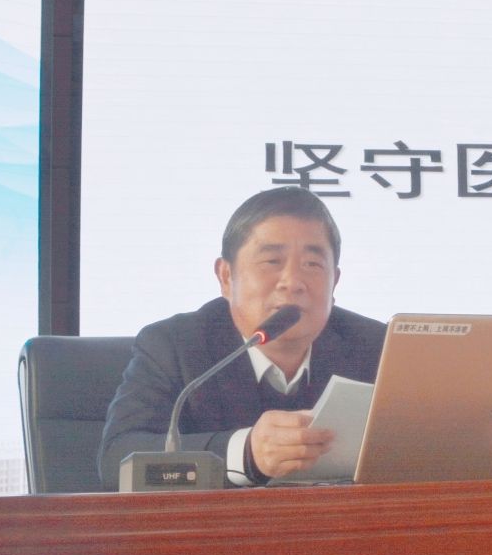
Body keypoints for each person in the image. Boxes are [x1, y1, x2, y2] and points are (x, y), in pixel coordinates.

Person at [97, 187, 386, 487]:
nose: (292, 282)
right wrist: (245, 453)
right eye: (272, 261)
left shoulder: (377, 347)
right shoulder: (174, 345)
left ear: (334, 281)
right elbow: (118, 460)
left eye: (312, 264)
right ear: (226, 277)